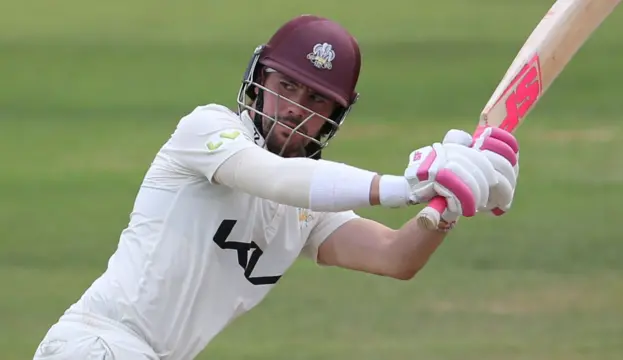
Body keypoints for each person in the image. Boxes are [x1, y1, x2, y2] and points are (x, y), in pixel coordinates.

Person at [33, 14, 520, 360]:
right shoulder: (207, 131)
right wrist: (401, 186)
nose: (295, 108)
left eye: (315, 99)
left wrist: (448, 203)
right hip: (98, 342)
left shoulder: (310, 206)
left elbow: (395, 257)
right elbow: (274, 178)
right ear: (260, 78)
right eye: (286, 86)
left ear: (335, 116)